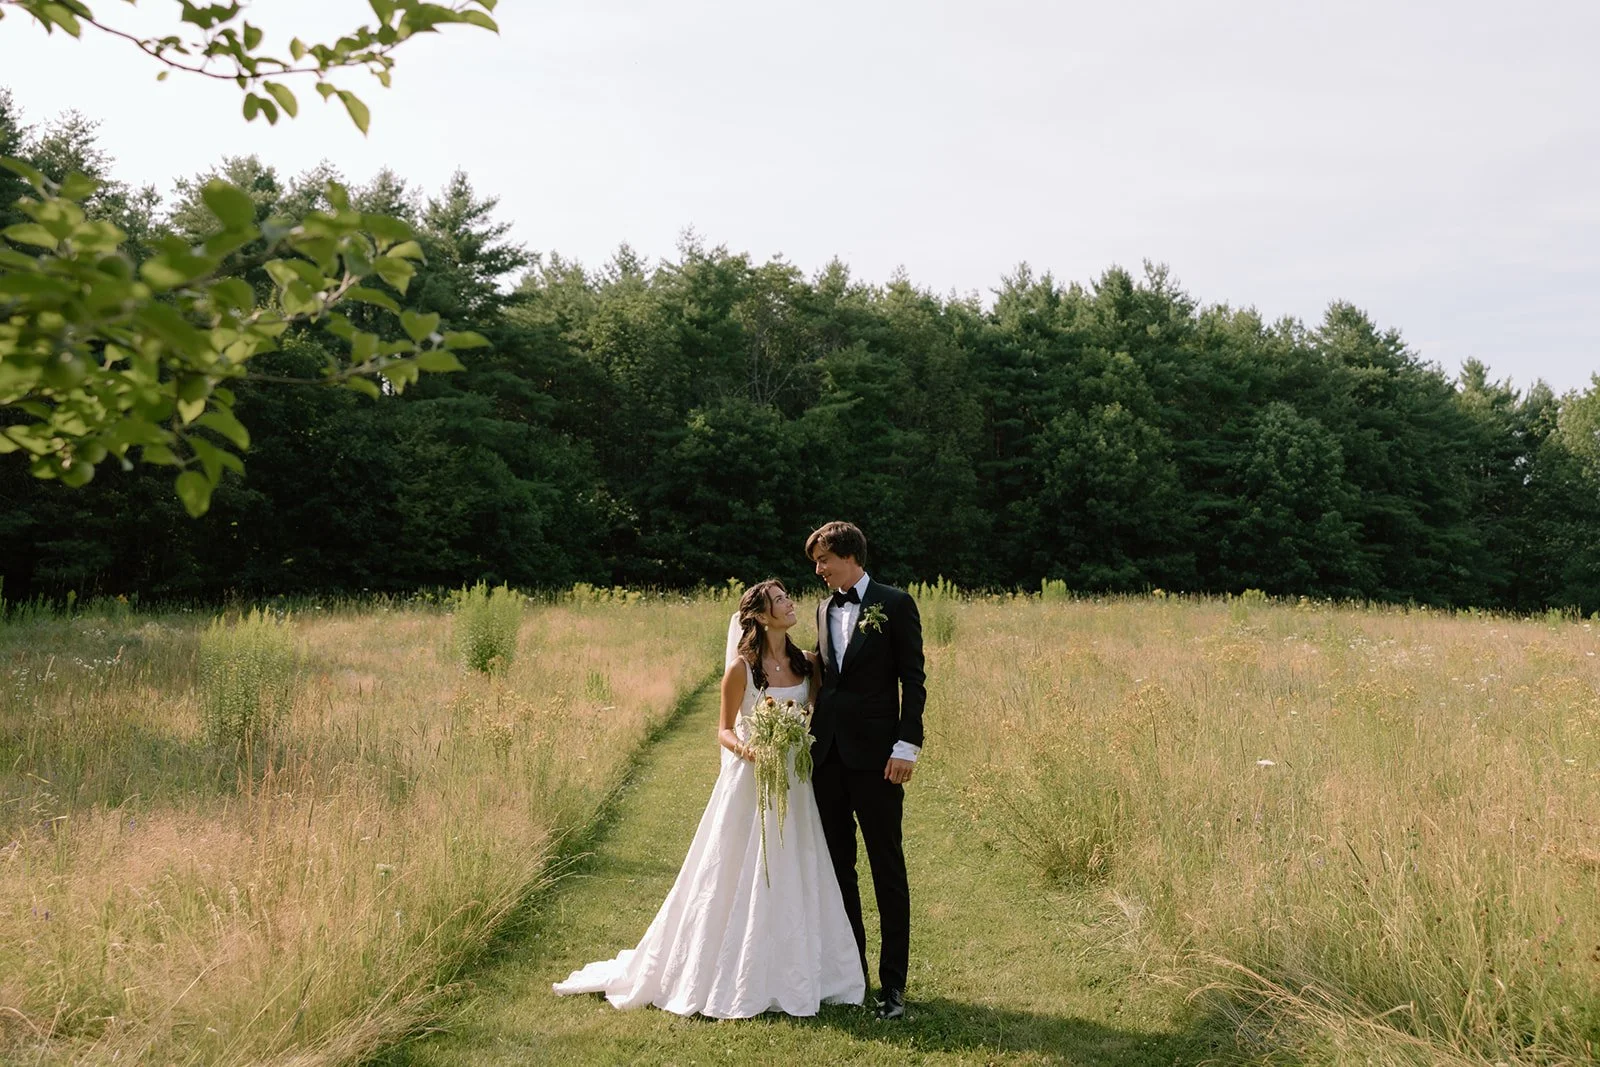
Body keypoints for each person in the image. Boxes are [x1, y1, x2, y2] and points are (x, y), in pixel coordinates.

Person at [551, 579, 865, 1018]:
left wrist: (796, 743)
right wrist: (753, 751)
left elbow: (812, 717)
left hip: (793, 781)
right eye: (779, 600)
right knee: (738, 869)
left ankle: (800, 969)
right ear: (758, 616)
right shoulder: (740, 669)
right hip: (750, 778)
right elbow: (723, 730)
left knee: (795, 864)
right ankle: (732, 967)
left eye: (787, 597)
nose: (790, 603)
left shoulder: (809, 663)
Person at [805, 521, 925, 1021]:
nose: (818, 569)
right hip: (826, 757)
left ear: (847, 555)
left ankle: (893, 986)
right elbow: (828, 678)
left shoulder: (895, 604)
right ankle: (852, 973)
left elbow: (913, 681)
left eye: (823, 559)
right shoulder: (821, 608)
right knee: (838, 869)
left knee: (886, 868)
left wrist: (907, 746)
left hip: (879, 759)